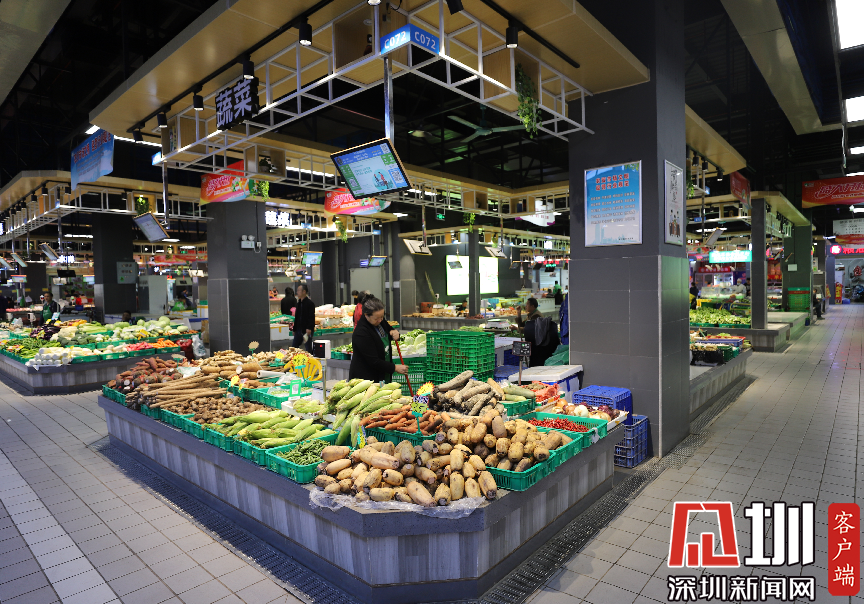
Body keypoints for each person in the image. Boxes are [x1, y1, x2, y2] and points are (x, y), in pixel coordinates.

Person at [349, 296, 408, 381]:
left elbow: (389, 330)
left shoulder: (379, 321)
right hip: (367, 377)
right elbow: (373, 361)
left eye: (382, 317)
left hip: (382, 372)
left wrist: (395, 333)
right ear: (366, 315)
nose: (380, 320)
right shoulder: (361, 333)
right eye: (377, 318)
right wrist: (394, 368)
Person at [292, 284, 315, 353]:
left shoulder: (310, 303)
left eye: (299, 290)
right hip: (298, 330)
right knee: (294, 348)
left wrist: (309, 328)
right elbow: (297, 317)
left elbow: (311, 316)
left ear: (304, 291)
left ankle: (310, 359)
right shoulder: (298, 304)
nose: (297, 292)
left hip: (306, 330)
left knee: (308, 349)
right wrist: (294, 329)